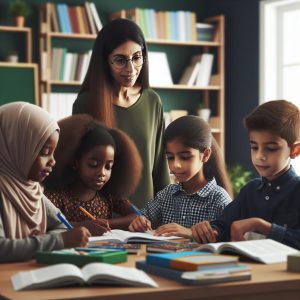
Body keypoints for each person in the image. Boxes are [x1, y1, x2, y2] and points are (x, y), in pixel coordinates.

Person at [72, 18, 170, 208]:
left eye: (137, 57)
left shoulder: (152, 100)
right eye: (120, 60)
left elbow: (160, 167)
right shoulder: (85, 103)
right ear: (105, 61)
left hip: (148, 219)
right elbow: (79, 171)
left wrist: (166, 214)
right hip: (103, 219)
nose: (131, 69)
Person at [191, 100, 300, 250]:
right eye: (254, 147)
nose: (260, 156)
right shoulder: (250, 190)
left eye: (271, 148)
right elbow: (224, 224)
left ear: (295, 150)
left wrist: (262, 226)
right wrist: (209, 230)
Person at [0, 102, 91, 262]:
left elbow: (61, 225)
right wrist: (58, 241)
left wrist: (37, 243)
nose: (53, 162)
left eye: (53, 153)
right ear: (15, 147)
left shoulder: (33, 190)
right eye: (45, 153)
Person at [128, 116, 233, 238]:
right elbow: (143, 218)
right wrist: (139, 222)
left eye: (185, 156)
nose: (175, 165)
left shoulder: (219, 200)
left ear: (205, 155)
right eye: (170, 157)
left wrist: (190, 233)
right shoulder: (166, 195)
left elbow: (230, 241)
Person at [44, 114, 142, 235]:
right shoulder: (58, 196)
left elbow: (135, 216)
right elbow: (45, 224)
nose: (102, 173)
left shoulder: (109, 194)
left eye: (108, 167)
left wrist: (106, 223)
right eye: (93, 164)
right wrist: (83, 226)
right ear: (75, 163)